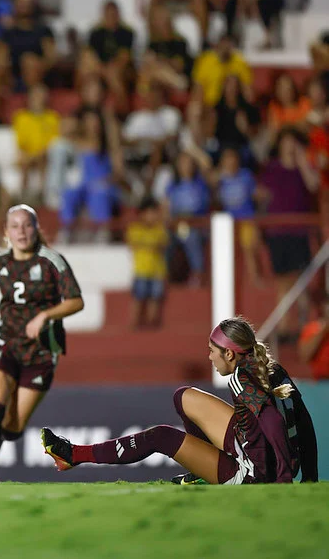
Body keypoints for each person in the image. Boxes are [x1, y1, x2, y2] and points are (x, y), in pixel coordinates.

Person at [41, 317, 319, 484]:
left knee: (161, 436)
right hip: (254, 448)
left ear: (230, 355)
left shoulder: (239, 379)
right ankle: (201, 470)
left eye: (213, 352)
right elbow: (303, 420)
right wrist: (309, 476)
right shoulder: (273, 369)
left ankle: (74, 454)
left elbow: (271, 422)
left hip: (255, 474)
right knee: (184, 397)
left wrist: (282, 480)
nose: (209, 357)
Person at [0, 204, 84, 482]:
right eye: (15, 226)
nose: (22, 231)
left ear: (36, 229)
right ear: (6, 232)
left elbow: (76, 301)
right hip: (5, 343)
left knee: (12, 428)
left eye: (27, 225)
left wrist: (44, 315)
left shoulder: (52, 261)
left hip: (41, 352)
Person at [126, 196, 168, 329]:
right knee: (139, 297)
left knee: (155, 298)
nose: (151, 216)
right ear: (142, 214)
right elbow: (133, 245)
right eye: (149, 213)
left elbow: (162, 245)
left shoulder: (160, 229)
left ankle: (152, 322)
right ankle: (134, 322)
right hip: (141, 270)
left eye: (154, 213)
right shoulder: (135, 228)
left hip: (157, 271)